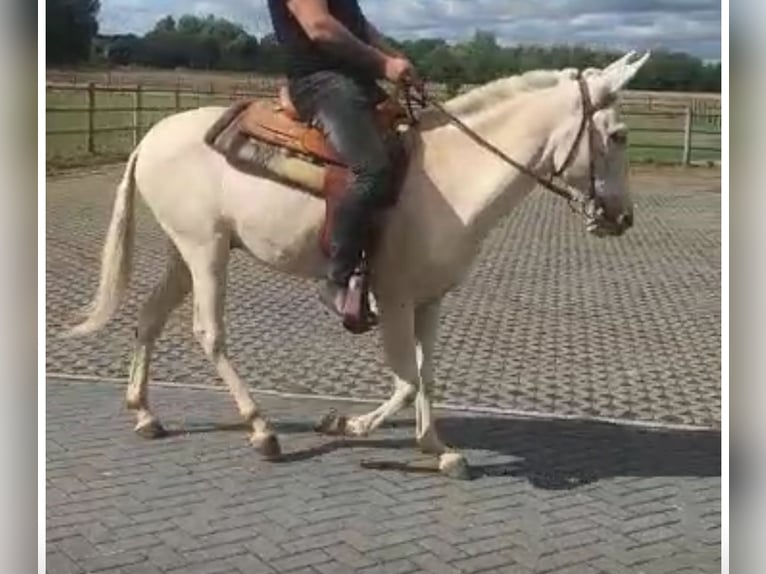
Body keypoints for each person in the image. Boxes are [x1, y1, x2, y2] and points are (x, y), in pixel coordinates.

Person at [266, 0, 422, 318]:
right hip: (321, 82)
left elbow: (360, 26)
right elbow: (319, 26)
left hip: (357, 81)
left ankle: (389, 256)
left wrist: (395, 57)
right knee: (371, 170)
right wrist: (384, 65)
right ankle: (337, 279)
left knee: (411, 145)